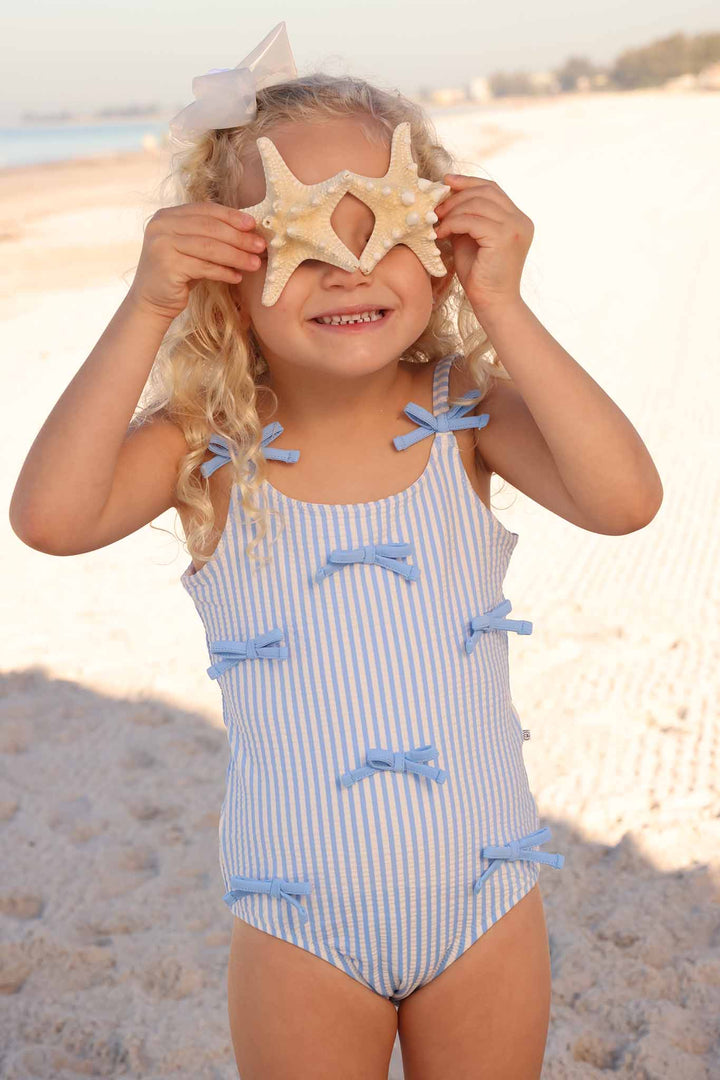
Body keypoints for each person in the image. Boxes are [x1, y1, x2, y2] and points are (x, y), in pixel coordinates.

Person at [9, 21, 663, 1080]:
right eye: (297, 240)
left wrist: (503, 298)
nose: (348, 263)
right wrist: (146, 303)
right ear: (227, 265)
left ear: (440, 241)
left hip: (485, 900)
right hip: (298, 921)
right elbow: (49, 517)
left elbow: (626, 499)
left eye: (383, 227)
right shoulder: (211, 443)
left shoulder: (469, 412)